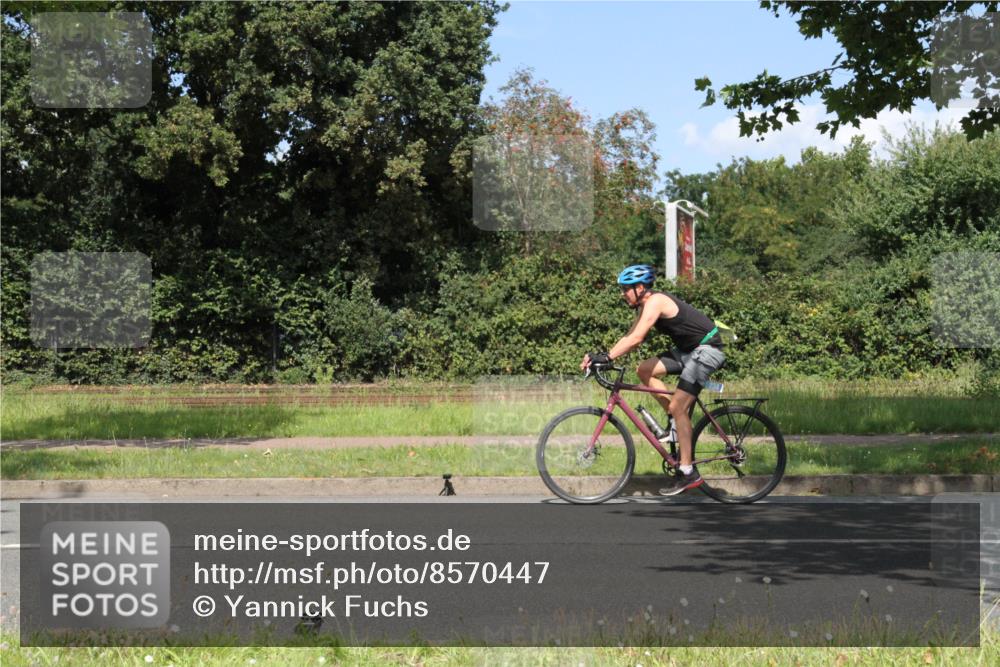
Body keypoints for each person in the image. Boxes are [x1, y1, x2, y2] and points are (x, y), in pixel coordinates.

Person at [580, 264, 726, 496]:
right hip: (690, 351)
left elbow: (637, 338)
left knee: (679, 405)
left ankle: (688, 472)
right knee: (644, 370)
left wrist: (607, 357)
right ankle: (675, 422)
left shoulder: (656, 301)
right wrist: (602, 357)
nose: (622, 293)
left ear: (640, 288)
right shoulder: (645, 305)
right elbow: (628, 335)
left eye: (626, 289)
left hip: (707, 351)